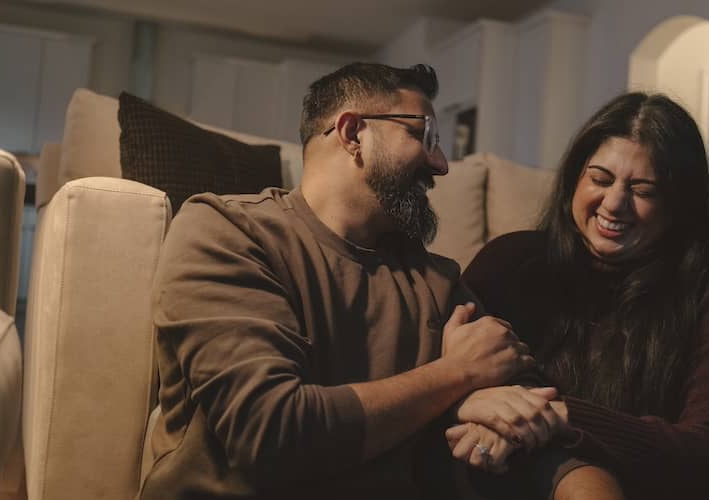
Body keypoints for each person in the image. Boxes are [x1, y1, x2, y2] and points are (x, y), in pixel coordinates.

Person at [137, 62, 557, 500]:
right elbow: (272, 434)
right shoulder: (228, 231)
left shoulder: (435, 279)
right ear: (353, 133)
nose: (440, 164)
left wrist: (476, 411)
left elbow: (522, 391)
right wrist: (456, 377)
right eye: (423, 136)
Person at [449, 92, 709, 500]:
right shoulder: (510, 261)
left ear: (677, 204)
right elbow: (444, 375)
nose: (614, 203)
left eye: (643, 190)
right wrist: (481, 410)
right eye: (600, 179)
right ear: (574, 180)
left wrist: (561, 417)